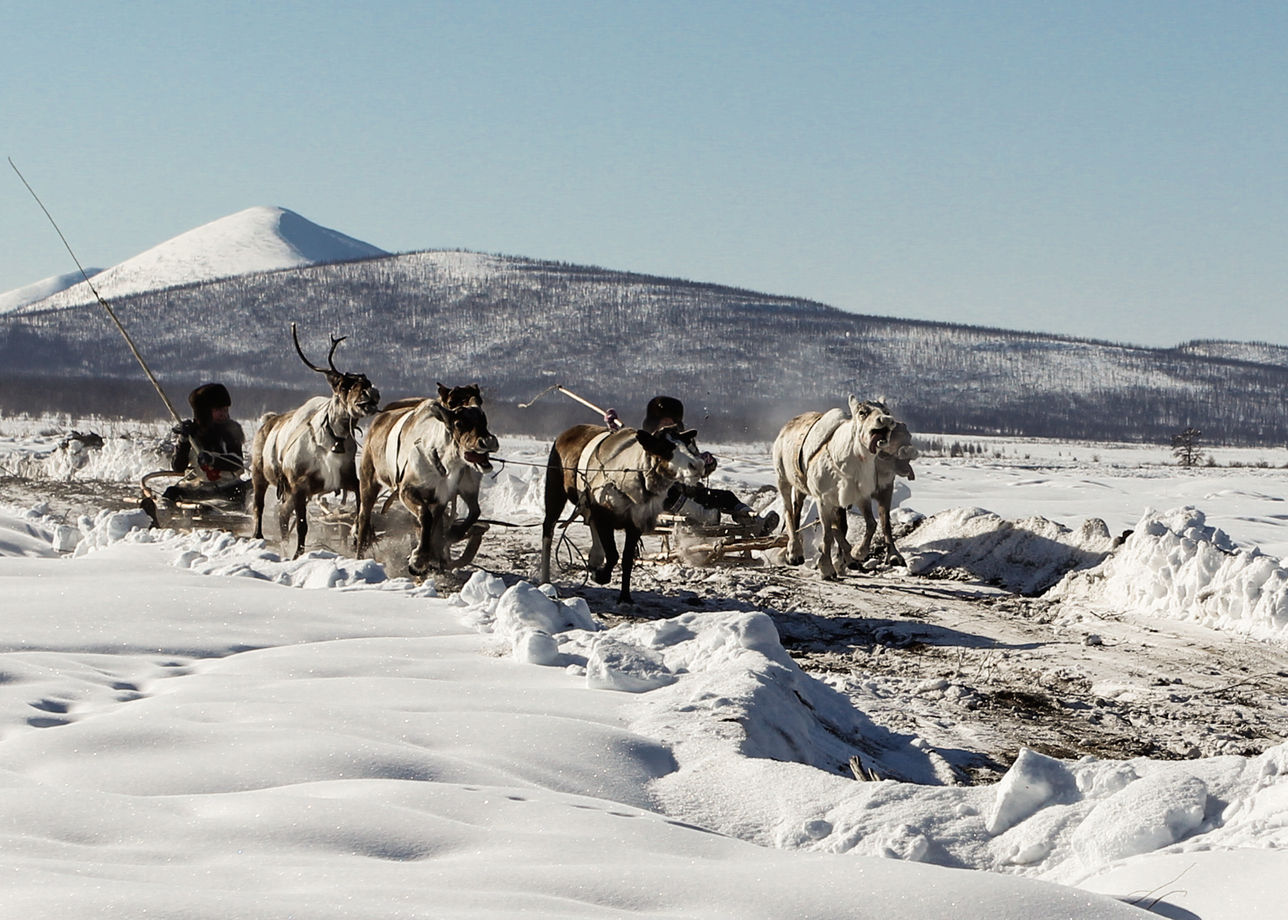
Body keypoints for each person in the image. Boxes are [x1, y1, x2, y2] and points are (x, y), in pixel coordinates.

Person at [611, 395, 778, 536]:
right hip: (662, 497)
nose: (668, 425)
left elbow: (699, 469)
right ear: (655, 422)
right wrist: (614, 429)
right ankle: (705, 517)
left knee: (725, 496)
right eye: (664, 421)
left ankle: (755, 521)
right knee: (670, 497)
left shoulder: (684, 443)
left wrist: (707, 463)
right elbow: (626, 446)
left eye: (671, 421)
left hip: (690, 491)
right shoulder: (649, 443)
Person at [163, 383, 247, 503]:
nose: (224, 414)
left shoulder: (231, 430)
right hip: (199, 489)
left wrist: (213, 460)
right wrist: (184, 440)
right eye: (218, 410)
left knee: (252, 489)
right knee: (171, 494)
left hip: (229, 487)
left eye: (225, 409)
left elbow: (237, 462)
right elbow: (178, 467)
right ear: (204, 412)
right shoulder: (191, 434)